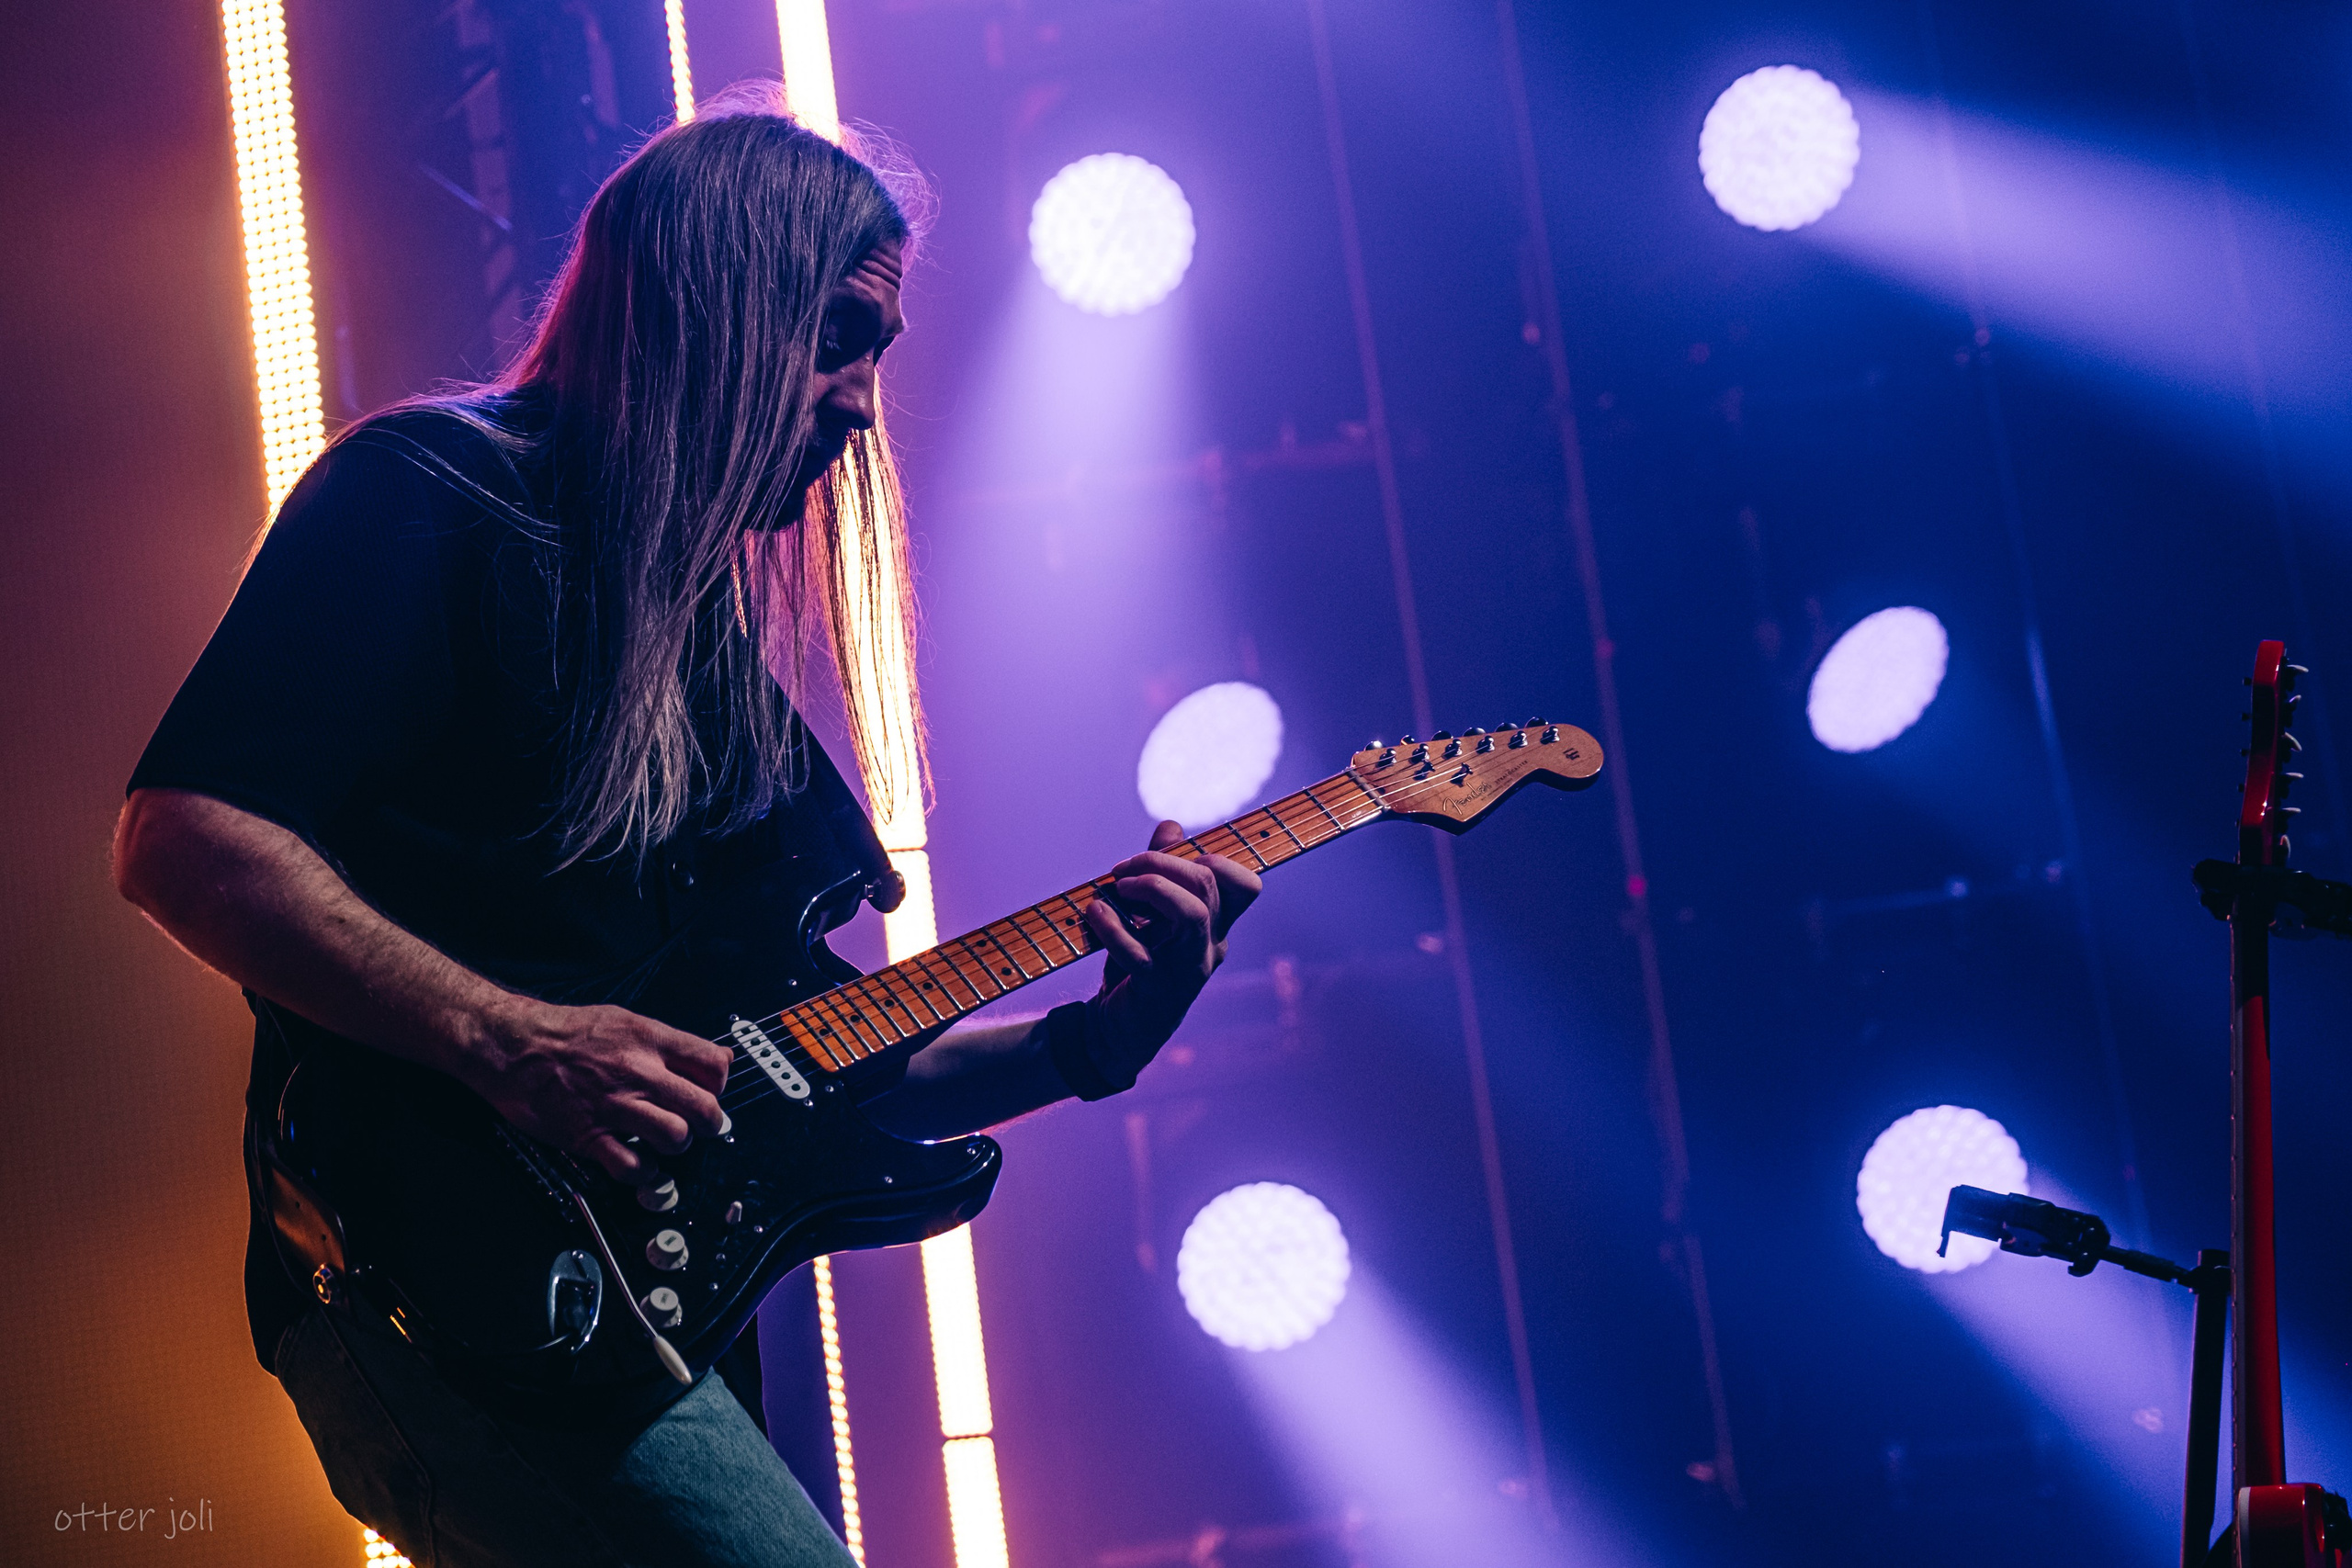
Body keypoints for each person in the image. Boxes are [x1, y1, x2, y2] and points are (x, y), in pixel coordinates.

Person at [112, 90, 1260, 1568]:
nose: (860, 401)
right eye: (837, 339)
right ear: (712, 298)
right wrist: (507, 1038)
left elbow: (818, 1067)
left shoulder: (706, 654)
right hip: (428, 1276)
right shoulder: (435, 493)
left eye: (878, 358)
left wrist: (1093, 1041)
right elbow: (184, 833)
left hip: (635, 1319)